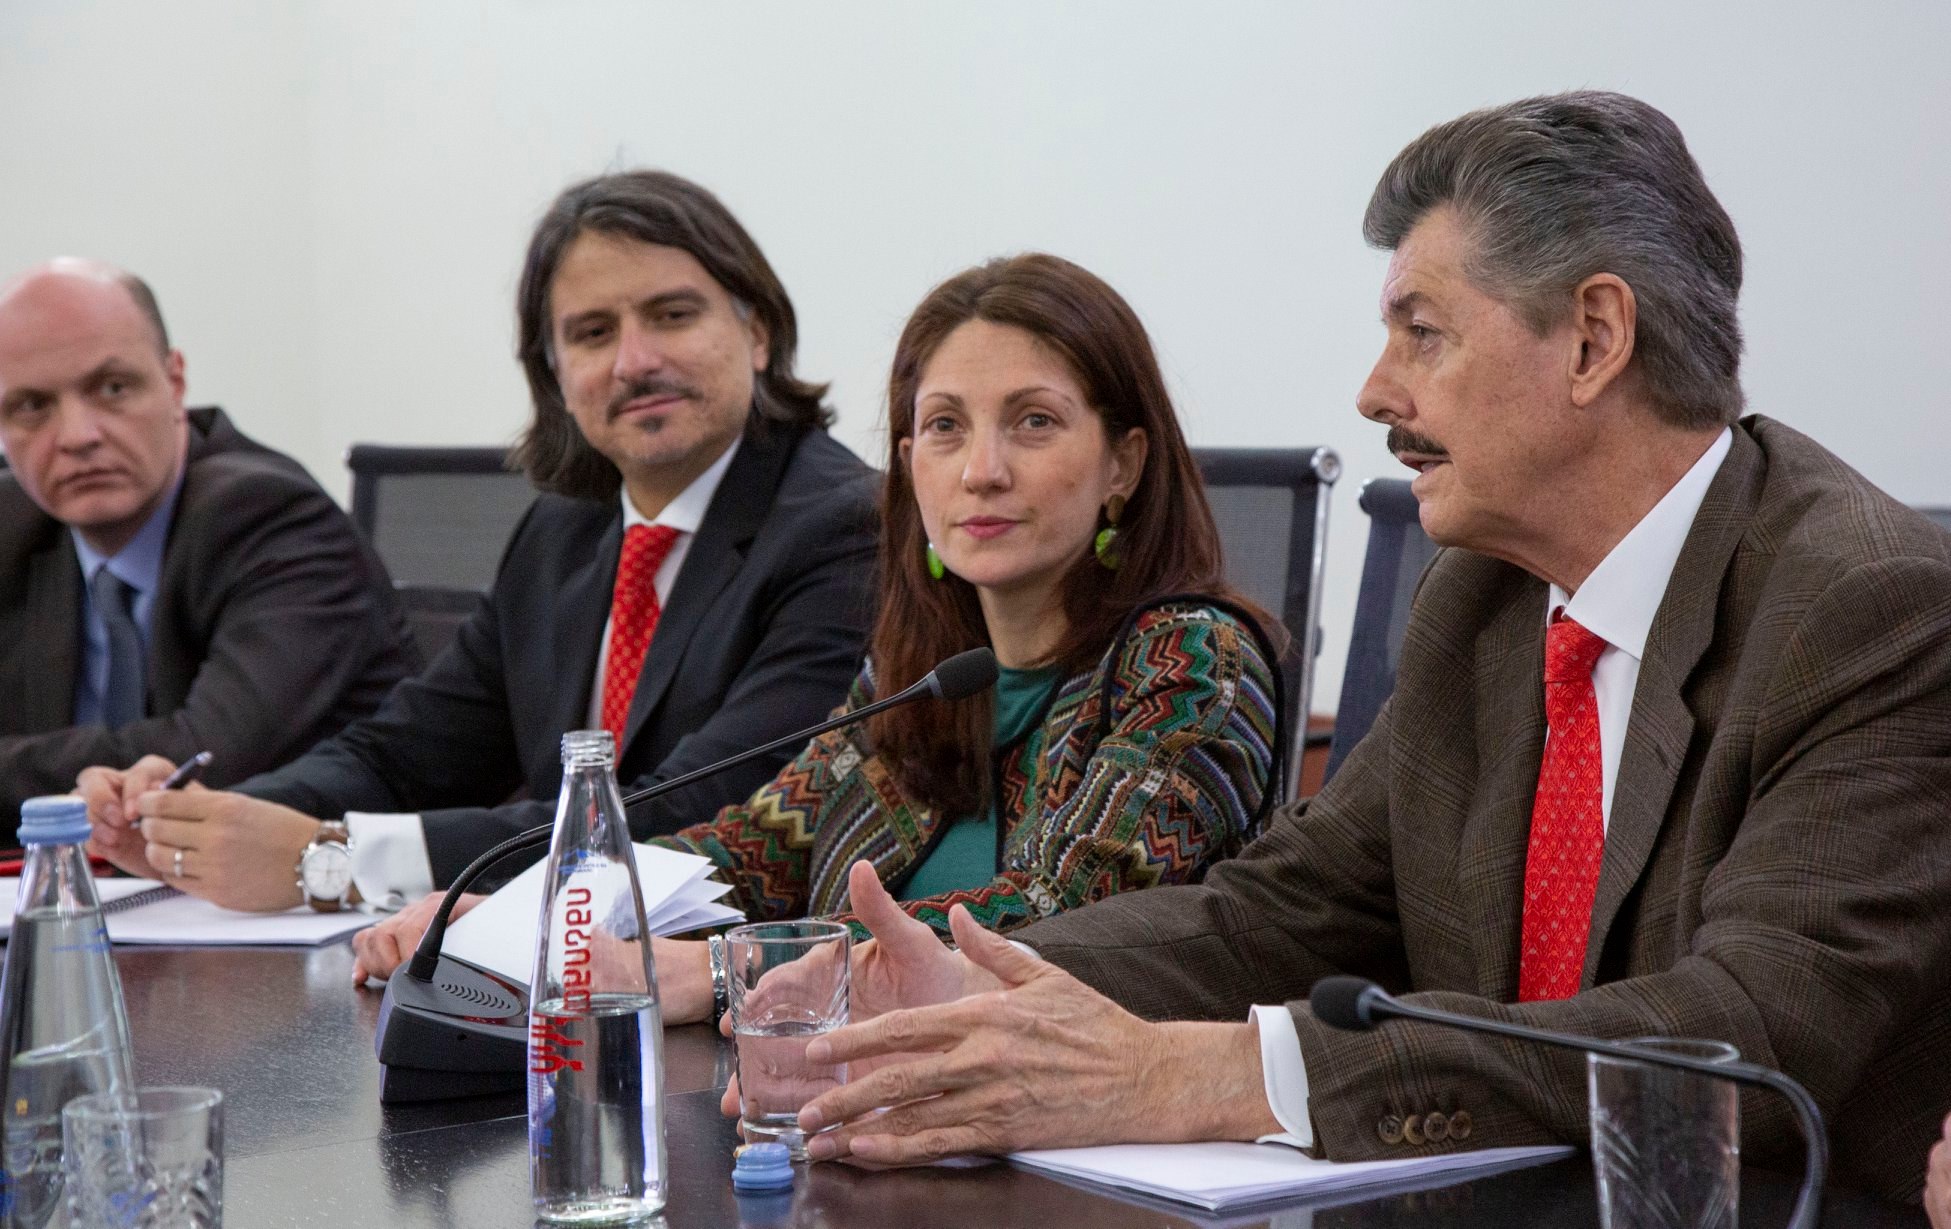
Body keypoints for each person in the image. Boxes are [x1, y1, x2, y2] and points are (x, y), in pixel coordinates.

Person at [764, 93, 1951, 1205]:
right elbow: (1290, 905)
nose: (1374, 390)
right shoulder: (1480, 599)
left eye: (1420, 334)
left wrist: (1213, 1073)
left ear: (1593, 339)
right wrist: (983, 979)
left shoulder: (1864, 607)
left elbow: (1748, 1029)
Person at [349, 253, 1283, 1007]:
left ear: (1123, 463)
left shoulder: (1192, 659)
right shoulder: (919, 675)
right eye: (945, 428)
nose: (981, 470)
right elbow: (749, 852)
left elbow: (1063, 913)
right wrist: (530, 912)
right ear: (909, 466)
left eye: (1033, 422)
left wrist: (725, 970)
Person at [81, 170, 880, 913]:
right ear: (555, 374)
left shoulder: (845, 528)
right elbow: (407, 753)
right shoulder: (562, 529)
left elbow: (698, 810)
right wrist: (204, 818)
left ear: (758, 332)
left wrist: (338, 858)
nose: (634, 361)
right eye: (593, 332)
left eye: (673, 315)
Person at [0, 260, 415, 839]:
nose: (77, 436)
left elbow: (205, 760)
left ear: (174, 384)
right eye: (30, 407)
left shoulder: (273, 518)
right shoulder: (13, 525)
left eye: (113, 388)